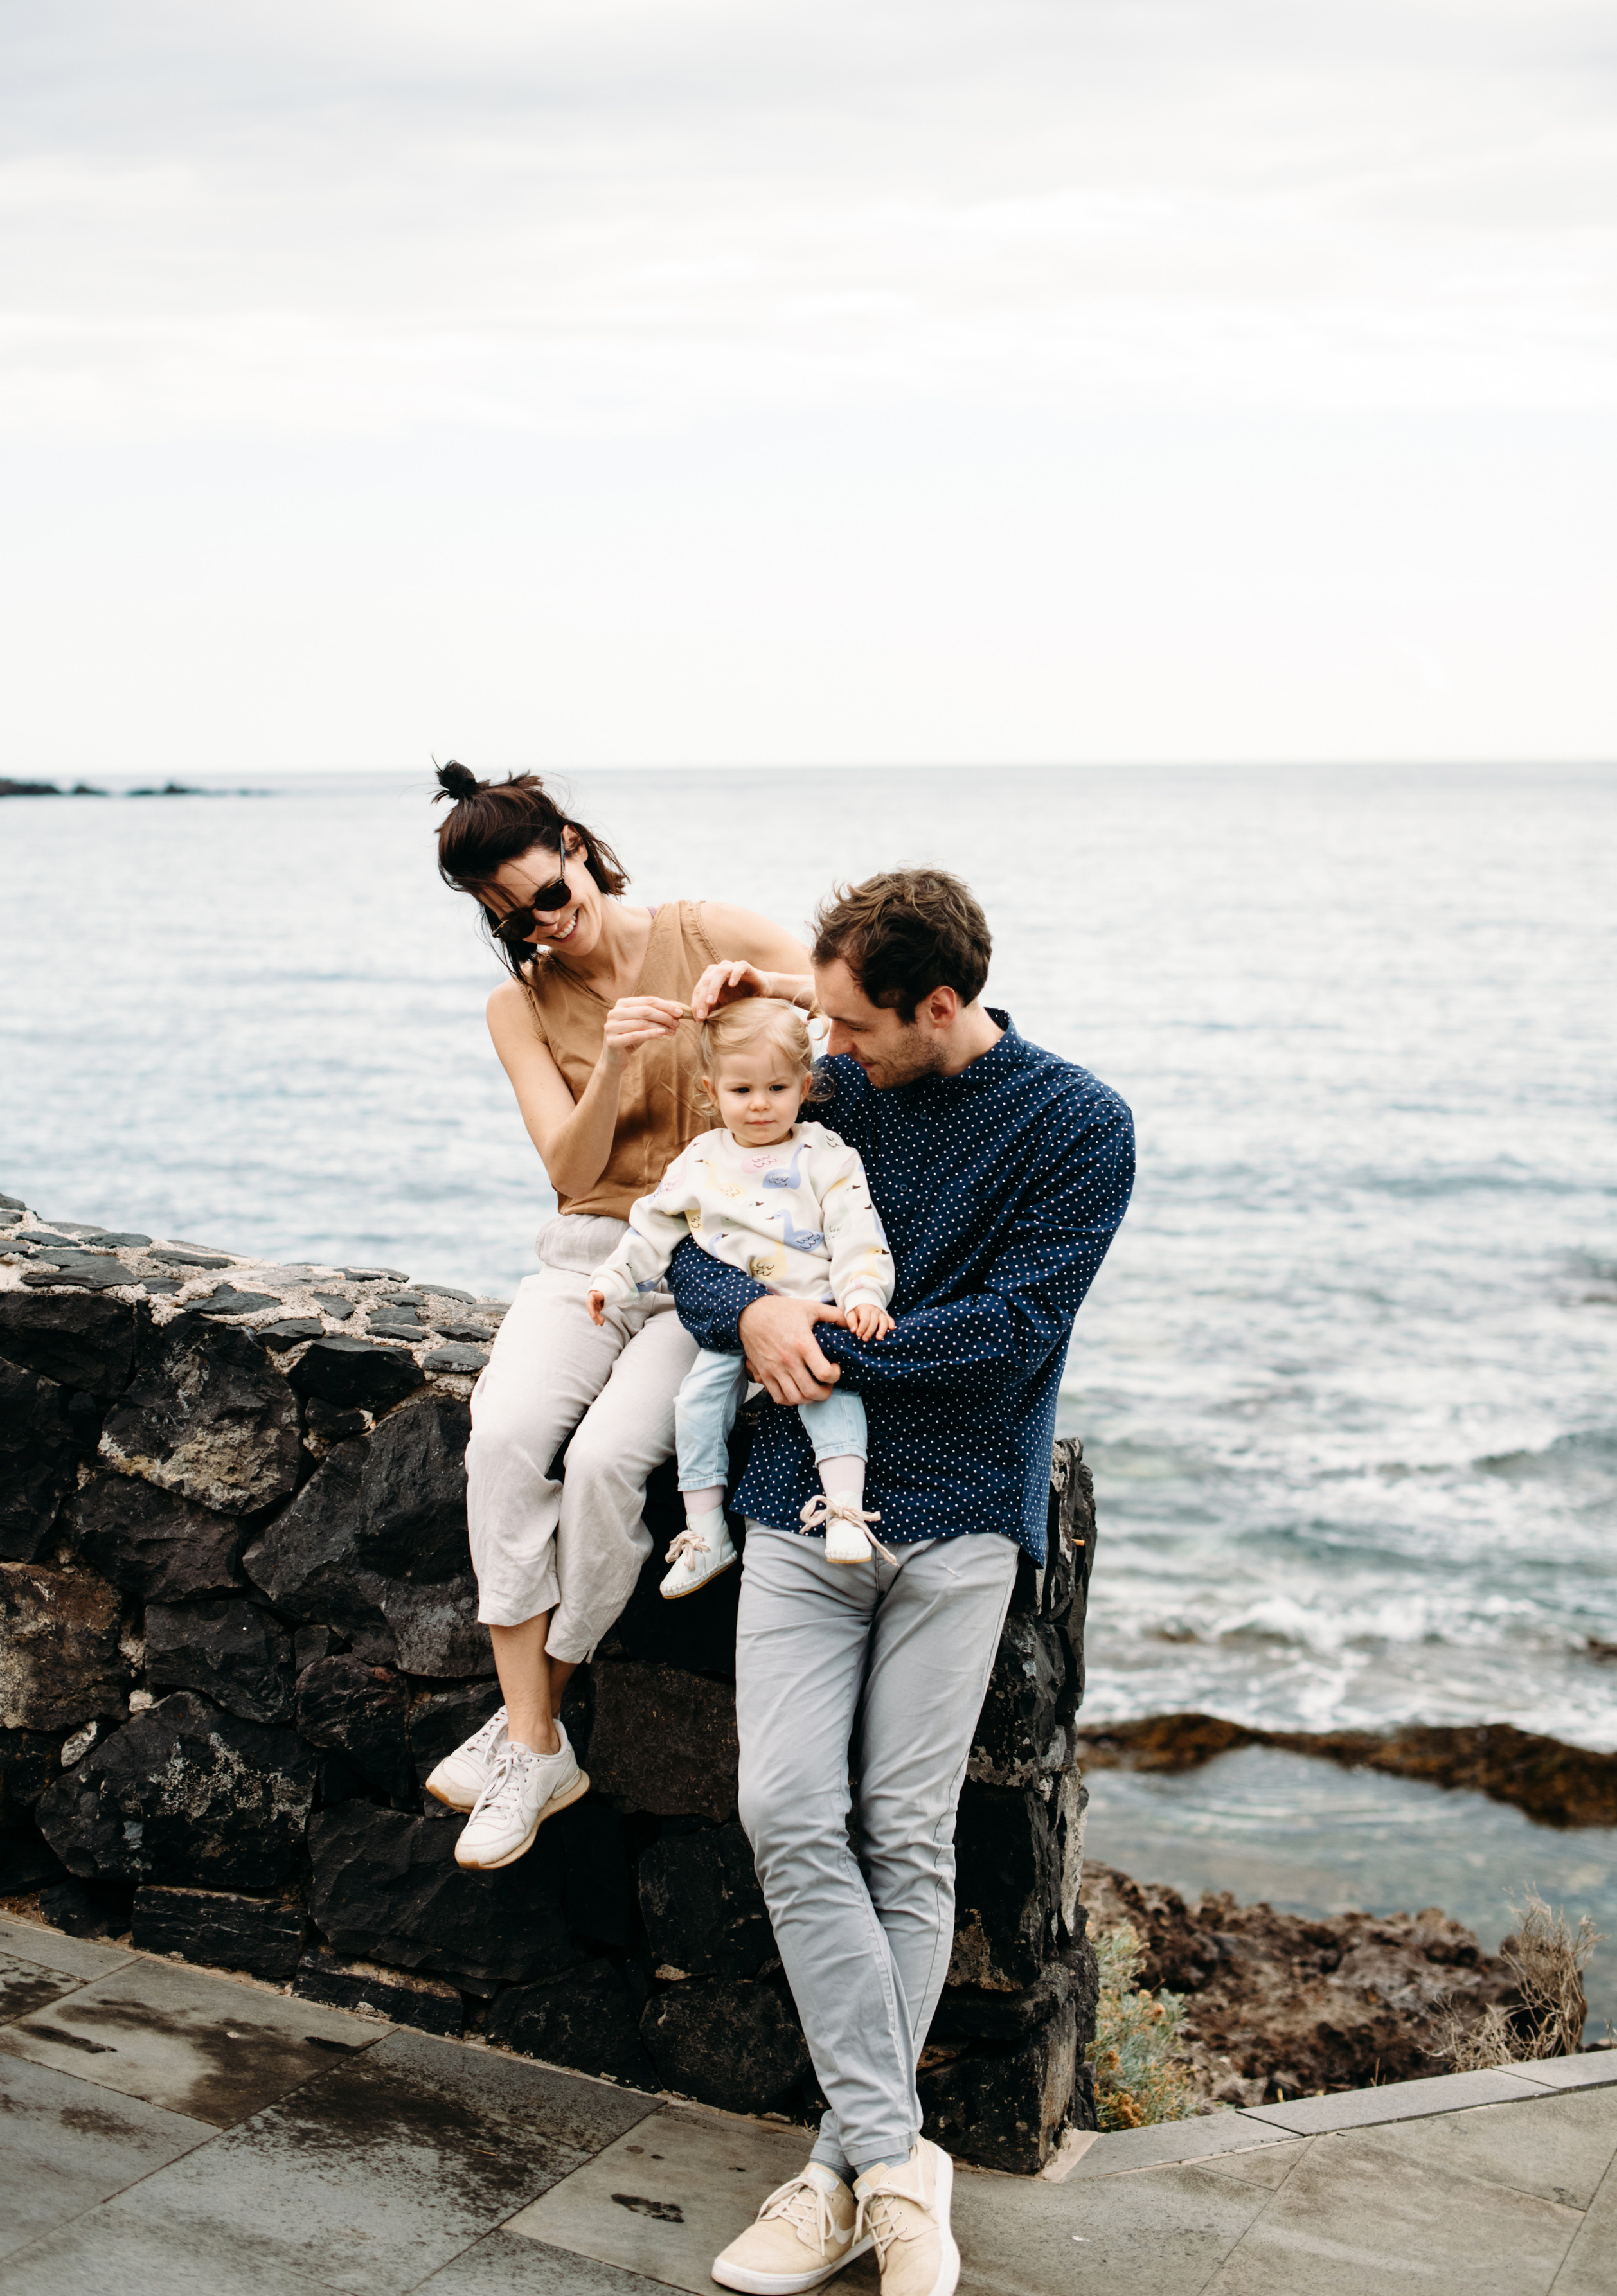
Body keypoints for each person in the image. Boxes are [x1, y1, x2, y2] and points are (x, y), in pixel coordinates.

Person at [665, 869, 1134, 2296]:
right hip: (794, 1507)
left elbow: (1010, 1335)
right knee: (784, 1809)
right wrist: (750, 1310)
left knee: (904, 1835)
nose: (826, 1055)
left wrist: (823, 1347)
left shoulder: (1077, 1126)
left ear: (941, 1006)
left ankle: (833, 2169)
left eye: (852, 1027)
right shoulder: (839, 1093)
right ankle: (891, 2166)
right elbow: (695, 1242)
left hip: (963, 1520)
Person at [422, 763, 813, 1873]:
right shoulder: (520, 1004)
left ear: (580, 848)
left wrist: (766, 982)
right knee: (501, 1439)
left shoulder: (702, 928)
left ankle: (526, 1719)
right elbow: (568, 1166)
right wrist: (620, 1067)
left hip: (717, 1265)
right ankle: (540, 1740)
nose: (545, 928)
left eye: (550, 894)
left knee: (604, 1467)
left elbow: (844, 1001)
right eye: (512, 919)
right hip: (591, 1255)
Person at [586, 995, 897, 1599]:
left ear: (805, 1086)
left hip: (816, 1312)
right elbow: (653, 1228)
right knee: (695, 1404)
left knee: (829, 1389)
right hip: (736, 1324)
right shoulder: (701, 1159)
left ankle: (845, 1512)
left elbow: (858, 1233)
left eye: (777, 1088)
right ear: (712, 1089)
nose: (759, 1104)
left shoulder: (825, 1154)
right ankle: (706, 1535)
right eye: (742, 1090)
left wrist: (865, 1294)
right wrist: (611, 1282)